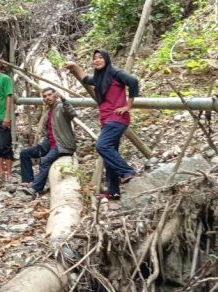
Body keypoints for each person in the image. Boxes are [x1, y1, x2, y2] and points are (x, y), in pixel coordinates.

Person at [66, 49, 139, 200]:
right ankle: (113, 191)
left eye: (100, 57)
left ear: (106, 59)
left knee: (102, 146)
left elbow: (133, 81)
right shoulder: (100, 77)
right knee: (109, 157)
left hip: (117, 118)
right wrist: (74, 66)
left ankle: (127, 171)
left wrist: (128, 106)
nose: (97, 60)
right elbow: (86, 79)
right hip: (107, 120)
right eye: (95, 58)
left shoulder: (115, 73)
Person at [21, 88, 76, 196]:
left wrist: (64, 99)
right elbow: (46, 131)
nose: (47, 98)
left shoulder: (61, 107)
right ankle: (28, 182)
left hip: (61, 144)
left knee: (45, 161)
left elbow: (72, 113)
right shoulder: (48, 110)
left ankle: (35, 188)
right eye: (45, 96)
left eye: (49, 95)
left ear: (55, 95)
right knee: (25, 153)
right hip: (48, 143)